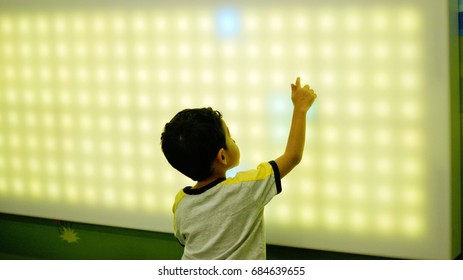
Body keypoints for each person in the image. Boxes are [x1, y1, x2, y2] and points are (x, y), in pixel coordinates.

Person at [160, 77, 317, 259]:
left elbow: (184, 239)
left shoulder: (181, 202)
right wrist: (300, 108)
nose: (233, 140)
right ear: (223, 156)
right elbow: (292, 156)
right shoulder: (246, 188)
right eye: (229, 136)